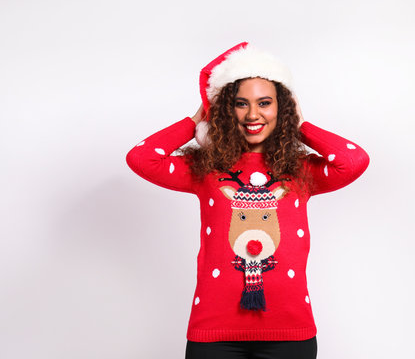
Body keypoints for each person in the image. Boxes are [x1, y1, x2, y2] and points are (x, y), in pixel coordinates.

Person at [126, 42, 370, 359]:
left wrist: (300, 126)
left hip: (289, 333)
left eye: (265, 103)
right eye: (241, 104)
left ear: (282, 108)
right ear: (226, 109)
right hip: (214, 333)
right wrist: (194, 120)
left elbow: (354, 161)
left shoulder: (300, 171)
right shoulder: (206, 169)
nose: (253, 114)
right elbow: (142, 158)